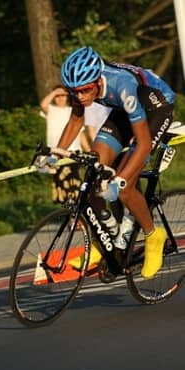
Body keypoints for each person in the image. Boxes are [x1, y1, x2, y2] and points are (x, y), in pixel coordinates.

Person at [44, 46, 174, 279]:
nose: (80, 97)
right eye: (75, 92)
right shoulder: (81, 86)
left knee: (124, 188)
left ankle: (153, 235)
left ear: (97, 81)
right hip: (124, 111)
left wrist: (120, 180)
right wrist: (56, 154)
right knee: (94, 175)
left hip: (156, 109)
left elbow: (144, 145)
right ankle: (106, 241)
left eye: (85, 91)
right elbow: (75, 122)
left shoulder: (122, 85)